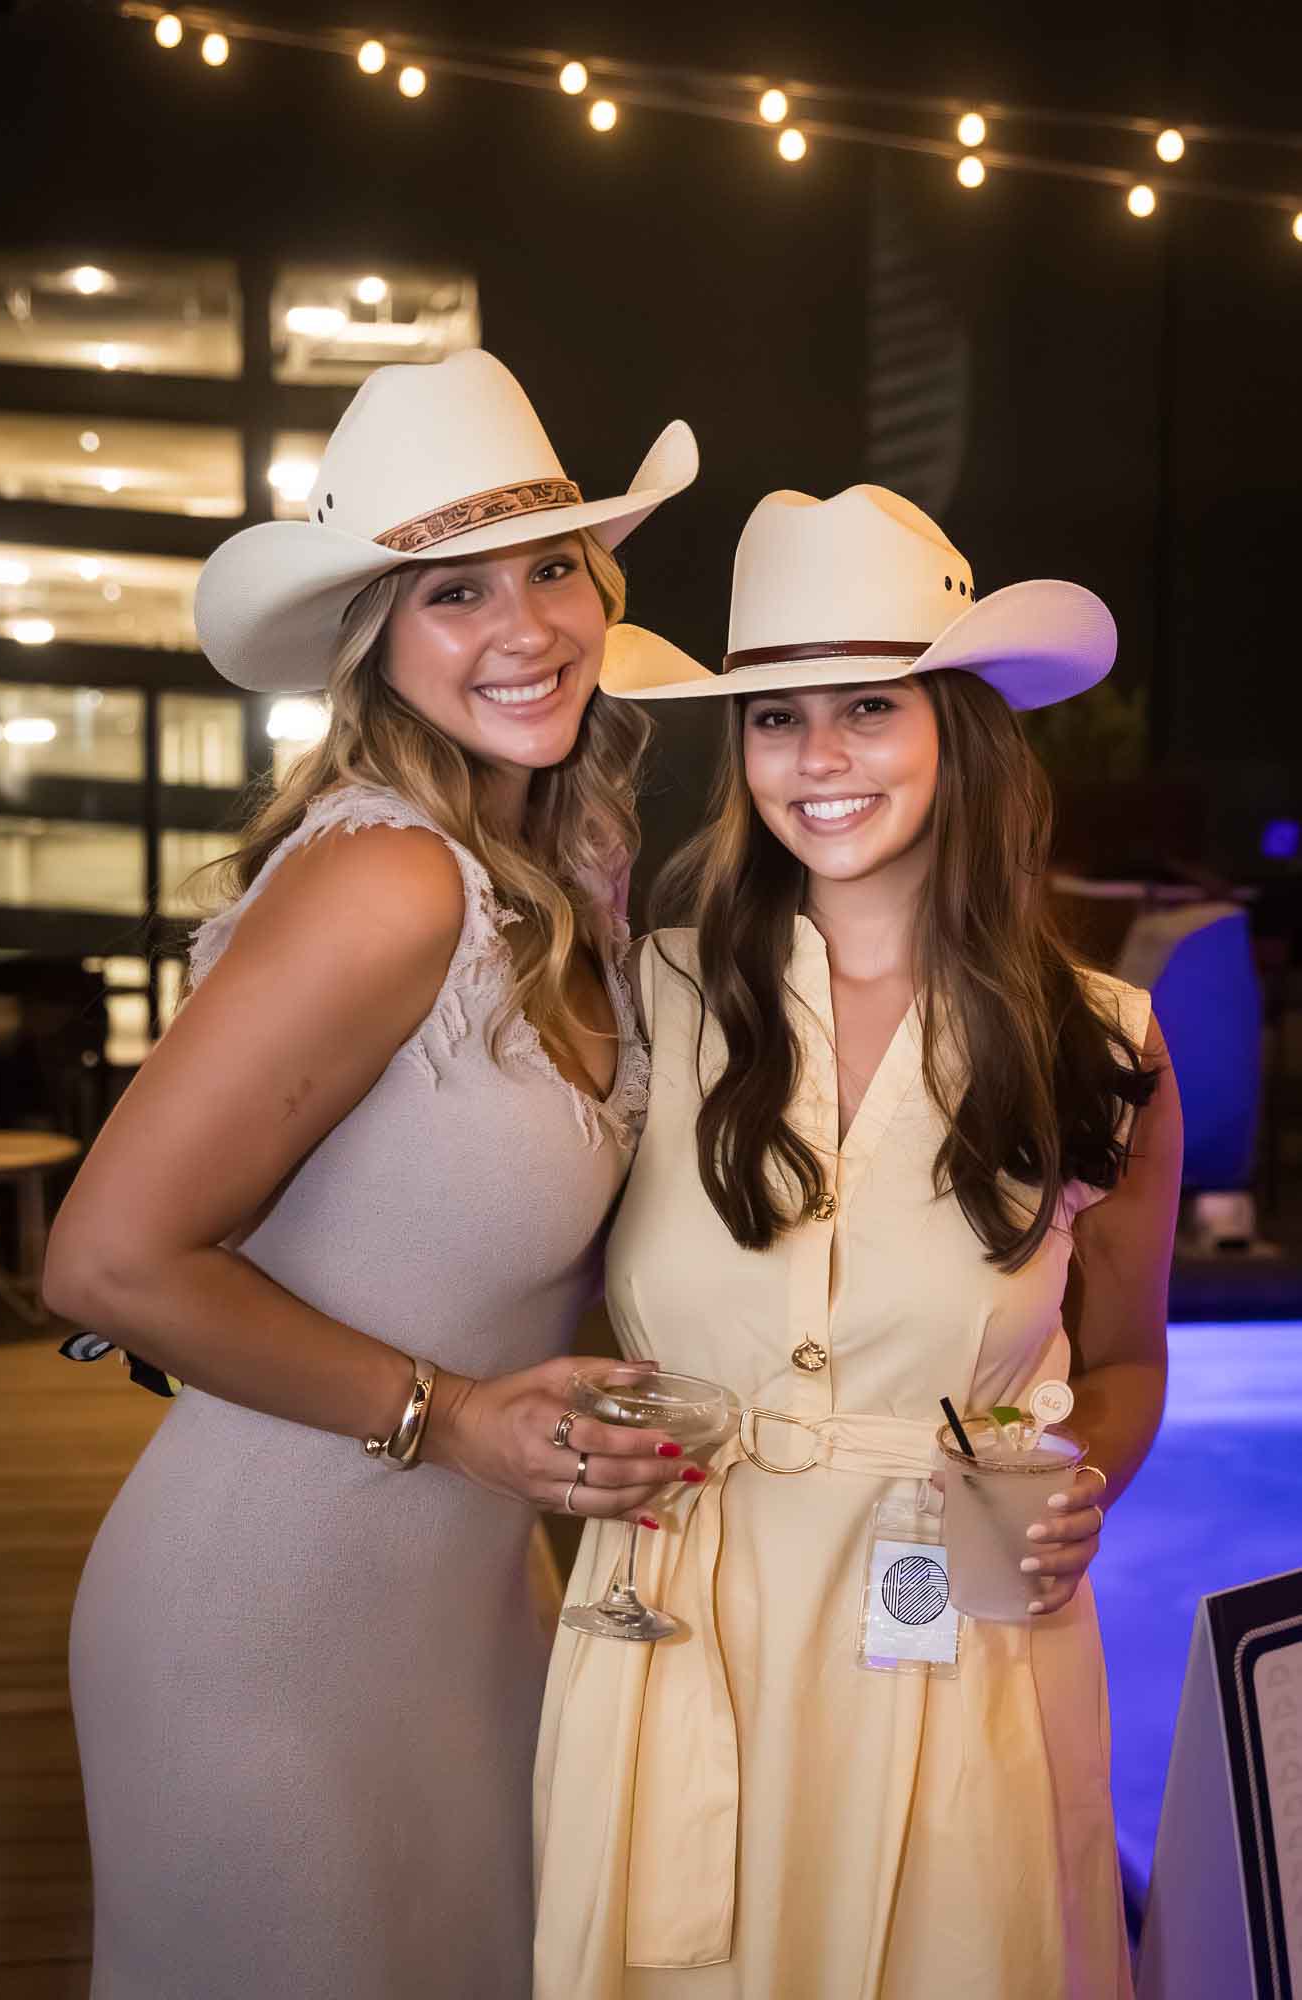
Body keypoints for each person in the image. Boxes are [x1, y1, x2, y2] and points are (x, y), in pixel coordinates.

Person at [43, 348, 700, 2000]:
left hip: (467, 1613)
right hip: (266, 1621)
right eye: (450, 593)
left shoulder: (564, 869)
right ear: (377, 644)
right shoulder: (392, 880)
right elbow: (106, 1265)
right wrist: (450, 1416)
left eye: (551, 568)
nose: (524, 626)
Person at [534, 484, 1183, 1999]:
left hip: (961, 1639)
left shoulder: (1105, 1045)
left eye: (866, 709)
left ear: (957, 731)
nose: (814, 759)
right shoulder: (646, 997)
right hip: (681, 1618)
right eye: (773, 718)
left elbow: (1131, 1358)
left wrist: (1080, 1484)